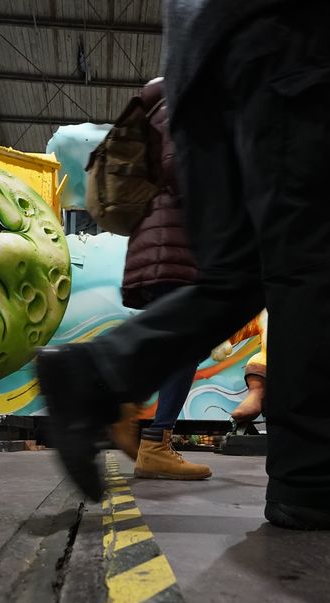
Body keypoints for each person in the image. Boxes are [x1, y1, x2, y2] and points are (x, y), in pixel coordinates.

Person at [36, 0, 330, 533]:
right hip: (292, 44)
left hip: (197, 71)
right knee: (324, 271)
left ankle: (96, 373)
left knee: (237, 275)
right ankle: (313, 480)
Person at [117, 78, 212, 481]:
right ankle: (151, 436)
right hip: (177, 241)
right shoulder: (181, 104)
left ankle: (133, 414)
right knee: (184, 344)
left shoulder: (152, 111)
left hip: (156, 241)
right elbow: (182, 169)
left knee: (174, 342)